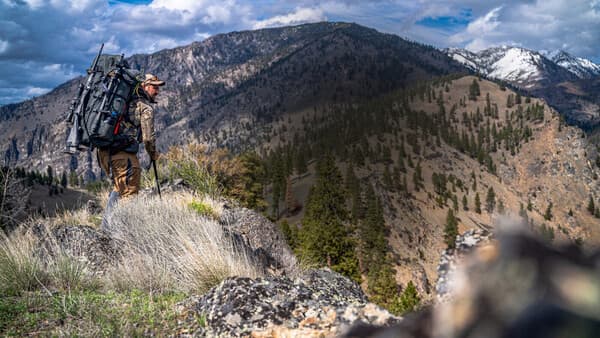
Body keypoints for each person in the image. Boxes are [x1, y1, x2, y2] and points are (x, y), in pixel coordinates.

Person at [98, 73, 165, 230]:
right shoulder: (144, 107)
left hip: (105, 153)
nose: (157, 91)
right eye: (154, 87)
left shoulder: (123, 103)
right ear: (144, 86)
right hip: (124, 156)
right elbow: (148, 138)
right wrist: (153, 154)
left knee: (119, 189)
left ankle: (105, 231)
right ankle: (122, 239)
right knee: (129, 195)